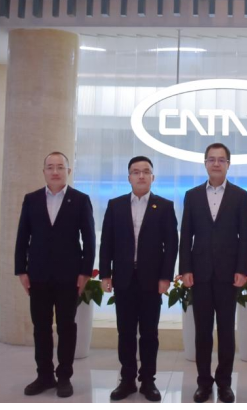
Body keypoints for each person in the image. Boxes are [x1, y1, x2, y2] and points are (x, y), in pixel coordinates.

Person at [14, 151, 96, 398]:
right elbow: (22, 237)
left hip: (68, 277)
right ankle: (44, 375)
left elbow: (89, 239)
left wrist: (85, 272)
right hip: (37, 275)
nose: (55, 171)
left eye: (60, 167)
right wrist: (21, 270)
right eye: (50, 167)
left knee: (66, 327)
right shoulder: (32, 199)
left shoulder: (80, 200)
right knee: (41, 327)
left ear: (68, 171)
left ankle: (64, 377)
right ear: (44, 172)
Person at [99, 156, 179, 401]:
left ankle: (148, 381)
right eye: (136, 172)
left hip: (151, 281)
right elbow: (107, 242)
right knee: (125, 332)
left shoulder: (164, 206)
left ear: (153, 177)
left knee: (149, 333)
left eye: (146, 171)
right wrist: (105, 274)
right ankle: (127, 380)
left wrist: (165, 277)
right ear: (129, 177)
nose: (141, 176)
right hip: (124, 279)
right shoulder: (116, 205)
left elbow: (171, 245)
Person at [179, 143, 247, 403]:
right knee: (202, 331)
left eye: (221, 159)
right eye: (212, 159)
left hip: (228, 274)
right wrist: (185, 268)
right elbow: (186, 234)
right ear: (205, 163)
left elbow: (245, 237)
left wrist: (242, 269)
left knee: (226, 331)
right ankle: (203, 382)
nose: (216, 163)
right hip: (199, 273)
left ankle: (224, 382)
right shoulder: (192, 195)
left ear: (228, 164)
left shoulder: (241, 196)